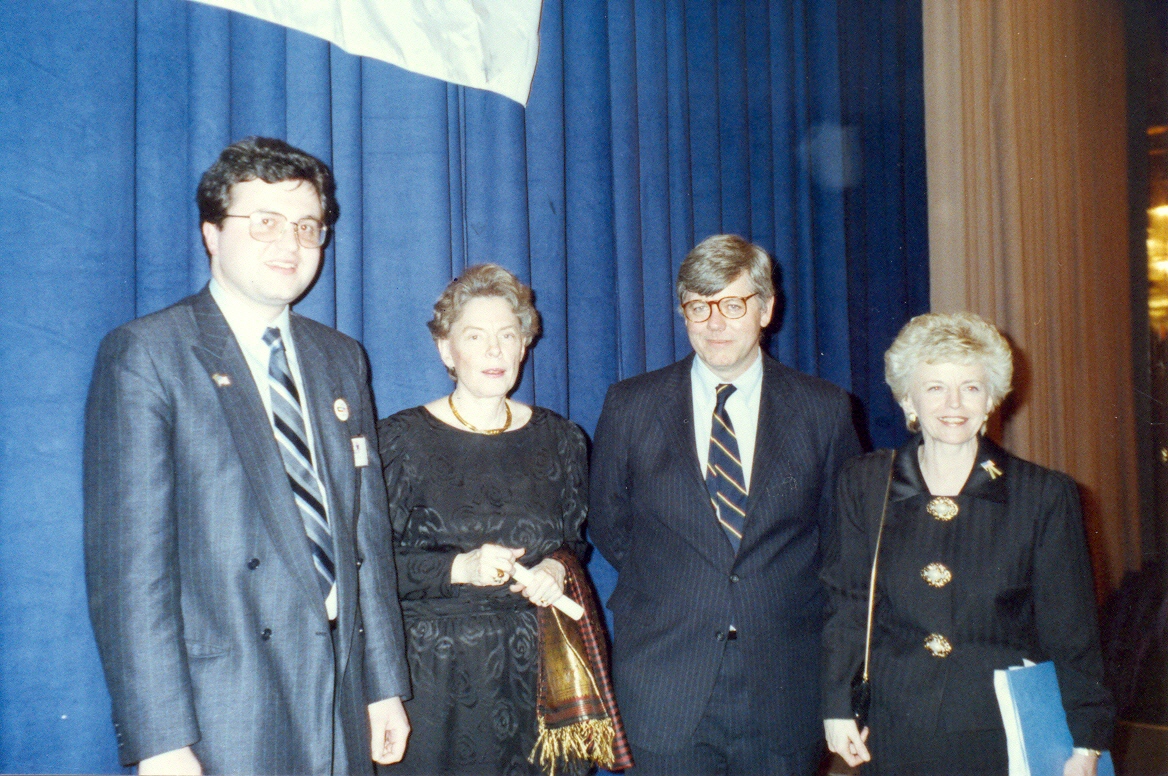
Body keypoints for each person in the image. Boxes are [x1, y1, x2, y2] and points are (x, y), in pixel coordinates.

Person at [84, 137, 411, 775]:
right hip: (220, 711)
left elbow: (365, 536)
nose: (289, 243)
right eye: (263, 222)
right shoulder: (148, 354)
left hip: (341, 693)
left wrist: (384, 684)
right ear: (211, 232)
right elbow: (130, 574)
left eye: (306, 225)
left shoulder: (342, 358)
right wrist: (159, 740)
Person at [589, 234, 862, 775]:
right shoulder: (630, 406)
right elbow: (608, 524)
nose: (714, 323)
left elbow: (843, 549)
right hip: (666, 682)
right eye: (699, 307)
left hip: (785, 684)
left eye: (732, 305)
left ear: (765, 309)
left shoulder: (824, 410)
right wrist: (689, 581)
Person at [821, 312, 1114, 776]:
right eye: (935, 387)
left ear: (992, 398)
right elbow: (849, 602)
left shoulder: (1043, 495)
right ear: (908, 399)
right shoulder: (866, 483)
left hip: (999, 729)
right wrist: (838, 705)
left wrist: (1085, 744)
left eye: (971, 387)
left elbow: (1072, 630)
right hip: (895, 726)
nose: (953, 403)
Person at [378, 264, 626, 775]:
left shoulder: (563, 439)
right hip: (433, 689)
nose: (494, 351)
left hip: (541, 679)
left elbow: (572, 543)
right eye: (475, 335)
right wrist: (459, 569)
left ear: (523, 346)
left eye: (507, 335)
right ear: (447, 349)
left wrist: (557, 571)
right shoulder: (398, 442)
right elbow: (369, 568)